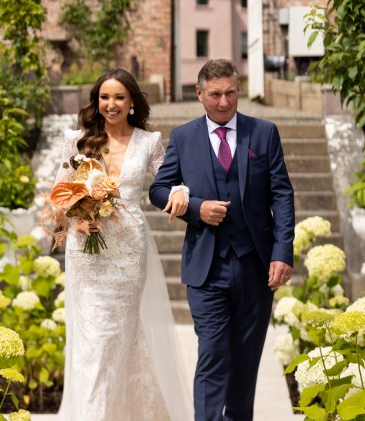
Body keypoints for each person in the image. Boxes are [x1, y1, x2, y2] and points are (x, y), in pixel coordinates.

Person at [149, 59, 295, 421]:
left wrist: (283, 252)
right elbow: (158, 190)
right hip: (207, 268)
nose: (224, 102)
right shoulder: (183, 138)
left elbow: (282, 195)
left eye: (230, 93)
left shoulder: (263, 133)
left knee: (246, 361)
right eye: (215, 94)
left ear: (238, 91)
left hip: (255, 266)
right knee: (213, 354)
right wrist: (195, 208)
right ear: (199, 94)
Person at [53, 68, 193, 421]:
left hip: (129, 254)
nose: (111, 104)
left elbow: (171, 180)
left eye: (119, 97)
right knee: (94, 342)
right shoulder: (77, 140)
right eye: (104, 97)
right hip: (86, 253)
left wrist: (181, 192)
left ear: (132, 102)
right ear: (96, 101)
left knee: (120, 337)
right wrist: (73, 209)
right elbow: (58, 192)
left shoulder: (149, 141)